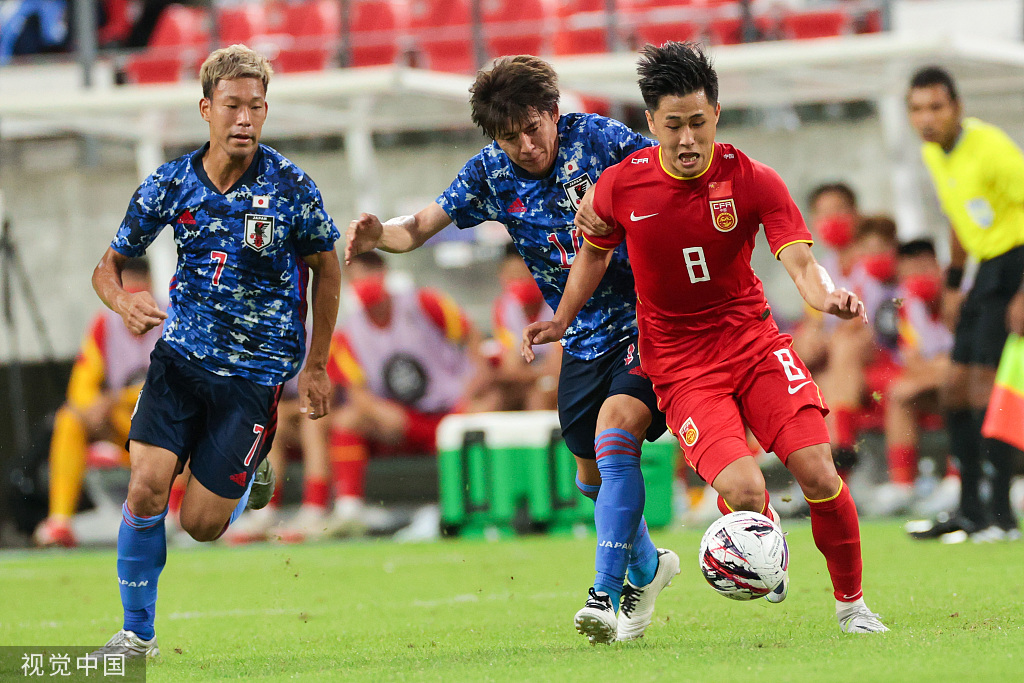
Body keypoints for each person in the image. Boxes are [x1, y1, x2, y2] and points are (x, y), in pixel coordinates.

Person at [526, 41, 888, 634]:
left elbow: (799, 261)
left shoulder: (753, 179)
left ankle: (853, 606)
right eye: (673, 126)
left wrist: (824, 295)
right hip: (681, 367)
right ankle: (765, 549)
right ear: (651, 123)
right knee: (745, 493)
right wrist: (563, 319)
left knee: (819, 472)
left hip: (754, 345)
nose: (688, 139)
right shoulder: (620, 187)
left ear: (716, 113)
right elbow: (592, 255)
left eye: (698, 122)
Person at [346, 54, 679, 645]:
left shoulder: (600, 139)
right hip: (577, 333)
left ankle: (606, 594)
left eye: (534, 127)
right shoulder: (489, 174)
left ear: (553, 112)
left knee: (616, 435)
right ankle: (649, 568)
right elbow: (419, 226)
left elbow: (671, 182)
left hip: (648, 319)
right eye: (510, 136)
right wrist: (381, 236)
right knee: (589, 476)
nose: (527, 145)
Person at [89, 44, 342, 658]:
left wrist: (315, 366)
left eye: (256, 107)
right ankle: (136, 635)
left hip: (252, 379)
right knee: (146, 489)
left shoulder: (289, 187)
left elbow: (327, 270)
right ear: (207, 109)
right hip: (178, 361)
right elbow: (108, 266)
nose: (245, 120)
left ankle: (249, 472)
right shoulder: (172, 183)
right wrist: (124, 303)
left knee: (201, 525)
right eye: (232, 106)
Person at [905, 66, 1024, 542]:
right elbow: (959, 219)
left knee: (982, 390)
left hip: (1015, 265)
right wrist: (954, 283)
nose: (927, 118)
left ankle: (1002, 516)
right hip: (985, 273)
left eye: (936, 106)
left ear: (956, 107)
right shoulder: (934, 152)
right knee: (953, 388)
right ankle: (969, 510)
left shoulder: (991, 148)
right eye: (917, 109)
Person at [322, 251, 486, 536]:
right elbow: (357, 393)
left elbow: (472, 338)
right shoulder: (348, 334)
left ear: (384, 274)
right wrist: (381, 412)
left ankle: (479, 506)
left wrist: (471, 392)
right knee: (347, 419)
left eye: (369, 274)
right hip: (402, 422)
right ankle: (349, 509)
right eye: (357, 277)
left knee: (488, 409)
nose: (364, 283)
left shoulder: (424, 303)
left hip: (451, 411)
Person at [32, 259, 162, 548]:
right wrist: (93, 409)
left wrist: (117, 399)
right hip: (122, 427)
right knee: (69, 419)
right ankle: (60, 521)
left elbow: (173, 384)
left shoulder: (175, 318)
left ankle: (176, 512)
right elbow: (81, 386)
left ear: (152, 287)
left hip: (164, 430)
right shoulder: (105, 325)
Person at [872, 239, 954, 516]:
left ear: (938, 265)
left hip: (978, 385)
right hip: (939, 381)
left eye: (923, 268)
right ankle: (903, 485)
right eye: (910, 273)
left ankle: (958, 480)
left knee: (956, 386)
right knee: (900, 393)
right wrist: (937, 369)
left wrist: (939, 369)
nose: (917, 279)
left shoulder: (959, 298)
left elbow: (966, 363)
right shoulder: (906, 305)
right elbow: (913, 361)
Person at [477, 243, 561, 411]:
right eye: (511, 277)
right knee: (494, 401)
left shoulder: (559, 305)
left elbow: (557, 368)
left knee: (538, 398)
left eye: (522, 276)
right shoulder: (504, 308)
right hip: (531, 378)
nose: (517, 283)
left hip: (555, 382)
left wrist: (522, 375)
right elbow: (511, 366)